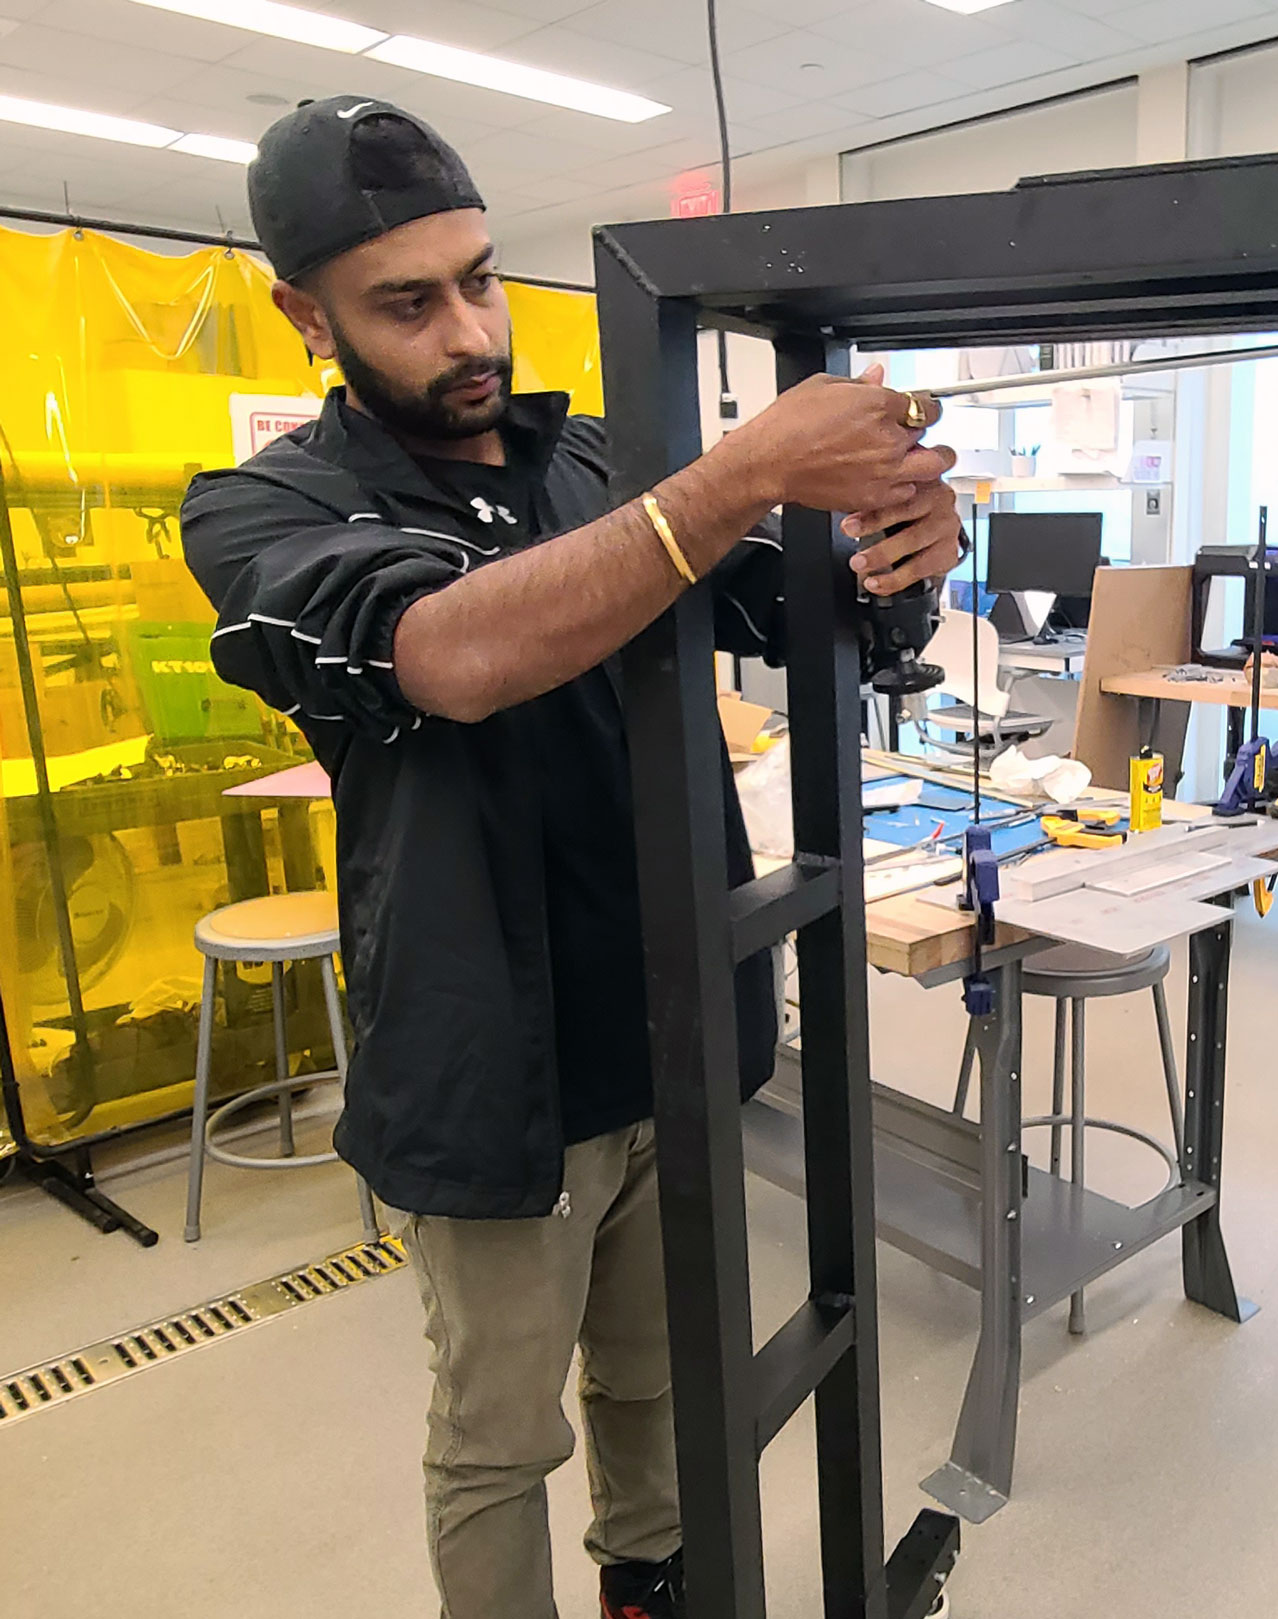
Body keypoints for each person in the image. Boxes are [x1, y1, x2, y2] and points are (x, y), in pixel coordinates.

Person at [182, 98, 963, 1619]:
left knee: (660, 1385)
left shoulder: (600, 461)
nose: (469, 332)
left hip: (671, 1022)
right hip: (490, 1064)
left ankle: (650, 1592)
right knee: (497, 1438)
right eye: (408, 304)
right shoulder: (269, 508)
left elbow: (802, 621)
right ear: (305, 312)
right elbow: (453, 654)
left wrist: (897, 568)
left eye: (479, 279)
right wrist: (736, 477)